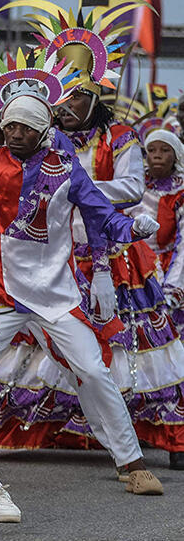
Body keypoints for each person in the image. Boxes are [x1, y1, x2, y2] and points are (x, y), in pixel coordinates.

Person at [0, 90, 165, 495]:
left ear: (43, 131)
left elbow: (102, 216)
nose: (15, 134)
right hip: (4, 293)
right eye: (10, 126)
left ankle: (133, 462)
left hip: (59, 298)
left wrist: (132, 230)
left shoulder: (67, 165)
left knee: (94, 372)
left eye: (25, 128)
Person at [134, 128, 184, 471]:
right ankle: (131, 429)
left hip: (166, 282)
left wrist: (173, 288)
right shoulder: (131, 186)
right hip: (131, 277)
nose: (156, 156)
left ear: (176, 157)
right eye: (151, 150)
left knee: (167, 365)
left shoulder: (180, 194)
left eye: (164, 151)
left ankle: (174, 437)